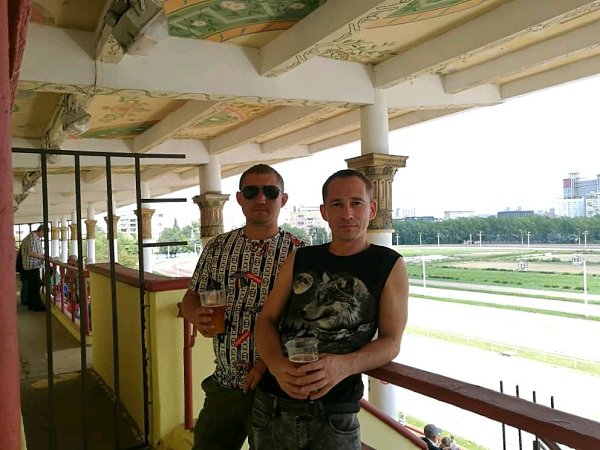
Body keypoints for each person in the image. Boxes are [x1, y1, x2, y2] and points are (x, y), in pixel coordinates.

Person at [253, 169, 409, 450]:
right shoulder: (300, 258)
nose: (347, 213)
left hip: (335, 413)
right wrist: (276, 365)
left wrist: (342, 366)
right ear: (324, 212)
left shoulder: (389, 264)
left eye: (356, 203)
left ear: (372, 209)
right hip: (273, 406)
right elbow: (266, 321)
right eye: (337, 204)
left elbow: (391, 341)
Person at [180, 164, 304, 450]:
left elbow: (304, 321)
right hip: (225, 384)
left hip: (275, 387)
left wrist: (267, 362)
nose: (261, 198)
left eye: (270, 192)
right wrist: (194, 314)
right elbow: (191, 297)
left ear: (283, 199)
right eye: (251, 192)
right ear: (239, 198)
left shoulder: (300, 252)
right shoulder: (217, 248)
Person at [19, 225, 47, 312]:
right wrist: (44, 257)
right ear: (41, 231)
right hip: (32, 266)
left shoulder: (34, 237)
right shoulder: (32, 238)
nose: (44, 236)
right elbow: (32, 253)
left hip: (32, 266)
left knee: (32, 287)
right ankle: (36, 306)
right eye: (44, 234)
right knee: (35, 286)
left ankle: (32, 305)